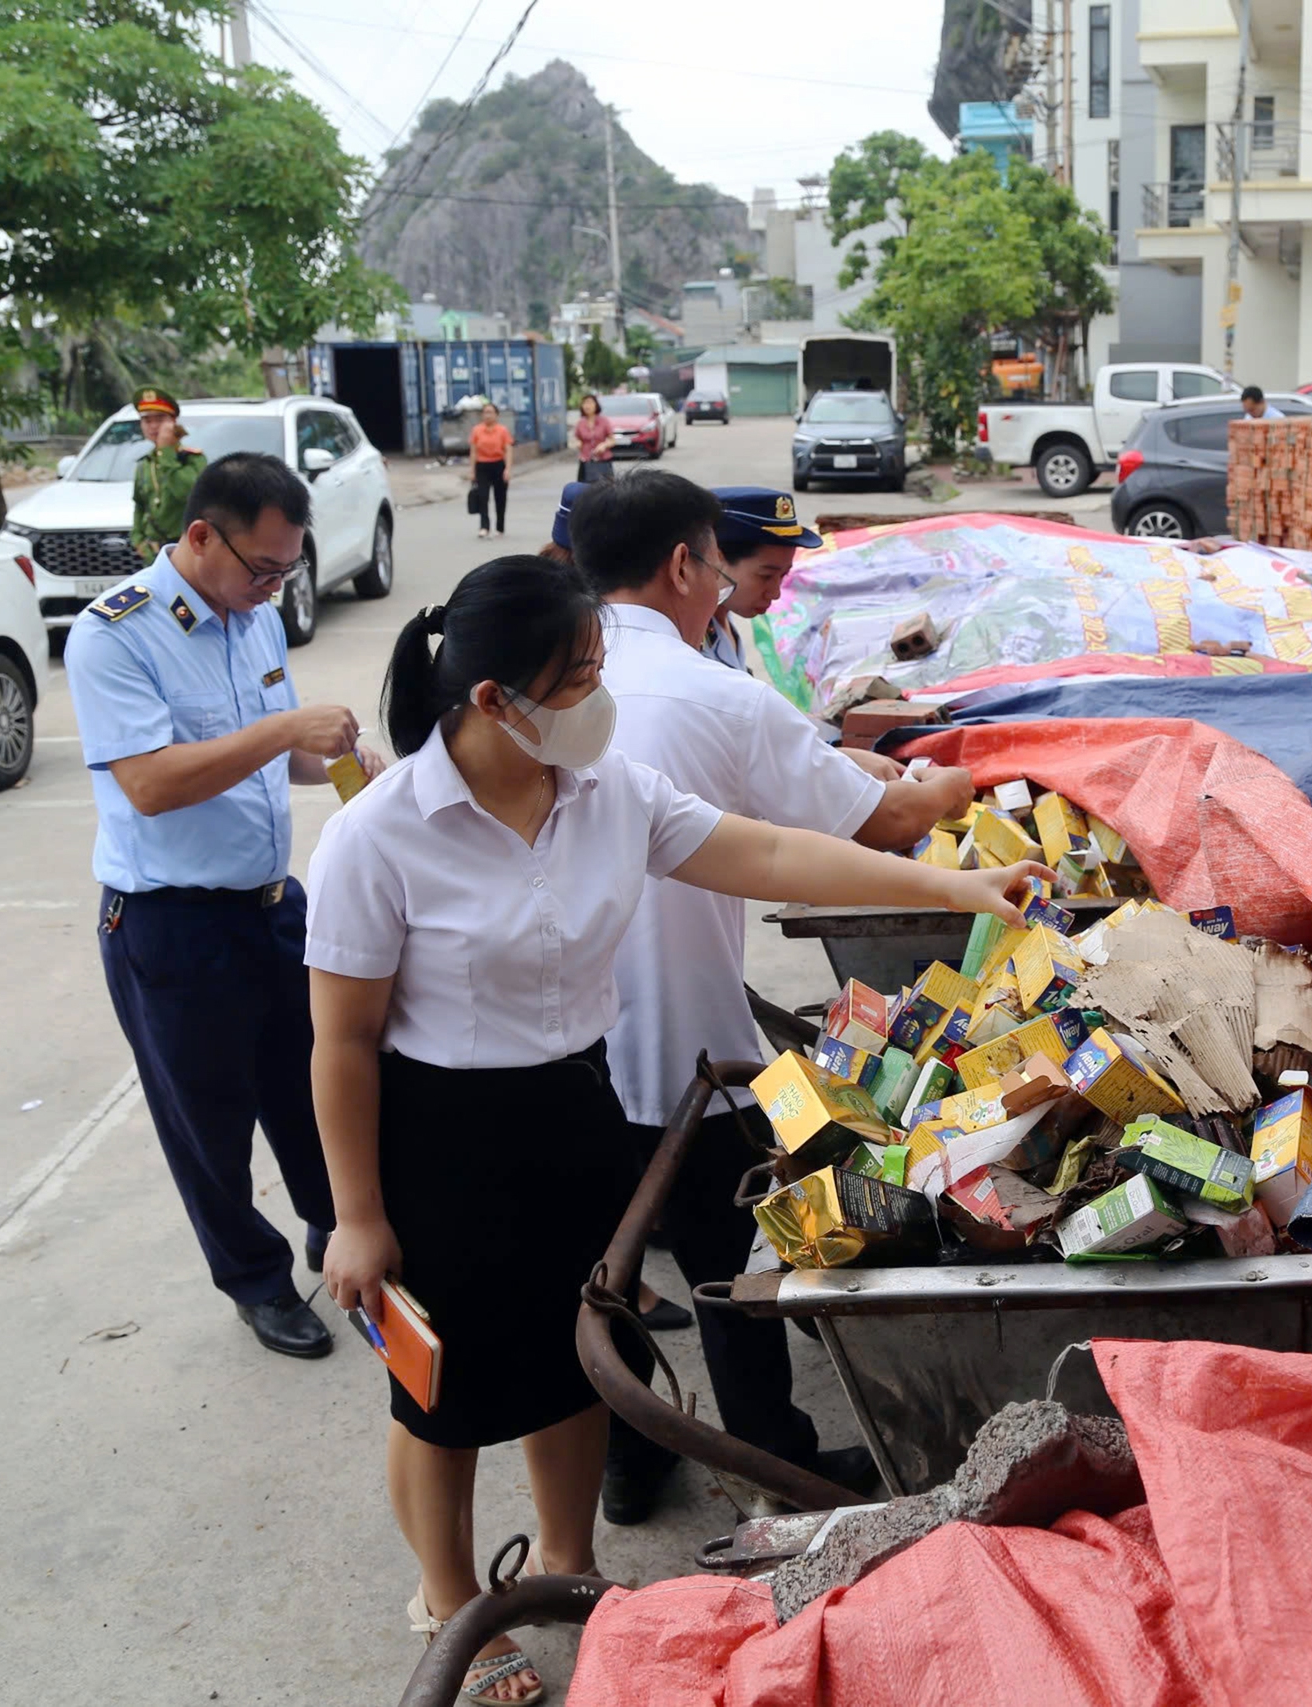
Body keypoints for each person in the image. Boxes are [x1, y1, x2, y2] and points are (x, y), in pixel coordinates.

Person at [306, 557, 1039, 1705]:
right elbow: (341, 1043)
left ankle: (566, 1569)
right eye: (581, 676)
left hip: (574, 1108)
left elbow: (772, 851)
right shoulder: (381, 835)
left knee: (577, 1363)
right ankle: (453, 1603)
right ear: (495, 698)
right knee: (442, 1393)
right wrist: (355, 1215)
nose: (604, 695)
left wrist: (954, 892)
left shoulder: (611, 792)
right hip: (437, 1138)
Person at [580, 472, 978, 1523]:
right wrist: (947, 783)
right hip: (680, 1037)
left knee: (600, 1260)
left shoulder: (556, 674)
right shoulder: (712, 691)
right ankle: (768, 1454)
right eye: (721, 564)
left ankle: (629, 1461)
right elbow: (879, 832)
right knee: (727, 1259)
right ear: (682, 566)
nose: (726, 585)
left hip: (557, 1042)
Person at [66, 452, 383, 1358]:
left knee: (311, 1083)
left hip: (275, 903)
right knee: (207, 1119)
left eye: (287, 568)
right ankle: (255, 1279)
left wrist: (353, 768)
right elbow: (152, 783)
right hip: (171, 923)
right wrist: (287, 728)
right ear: (201, 536)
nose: (275, 586)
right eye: (263, 569)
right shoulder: (115, 635)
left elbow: (274, 758)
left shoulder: (255, 617)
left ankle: (338, 1231)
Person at [694, 485, 817, 673]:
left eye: (783, 575)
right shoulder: (688, 639)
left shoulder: (722, 618)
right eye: (765, 576)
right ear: (716, 559)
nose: (775, 593)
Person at [128, 388, 206, 563]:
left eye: (160, 419)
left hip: (186, 552)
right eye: (147, 420)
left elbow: (185, 493)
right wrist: (138, 540)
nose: (153, 426)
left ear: (174, 422)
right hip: (153, 555)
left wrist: (166, 452)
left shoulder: (191, 460)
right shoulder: (145, 464)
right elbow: (140, 505)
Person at [468, 402, 514, 540]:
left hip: (498, 465)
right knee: (483, 497)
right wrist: (472, 471)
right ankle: (484, 527)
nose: (487, 415)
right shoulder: (477, 430)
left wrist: (508, 469)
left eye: (490, 412)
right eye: (485, 412)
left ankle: (500, 527)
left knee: (500, 498)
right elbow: (473, 452)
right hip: (482, 466)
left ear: (496, 415)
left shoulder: (502, 430)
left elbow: (508, 450)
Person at [571, 392, 614, 485]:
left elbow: (612, 440)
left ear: (596, 405)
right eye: (585, 403)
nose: (587, 406)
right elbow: (577, 439)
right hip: (586, 461)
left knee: (605, 488)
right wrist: (578, 443)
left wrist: (604, 445)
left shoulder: (604, 421)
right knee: (584, 489)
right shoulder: (580, 423)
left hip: (603, 460)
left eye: (590, 403)